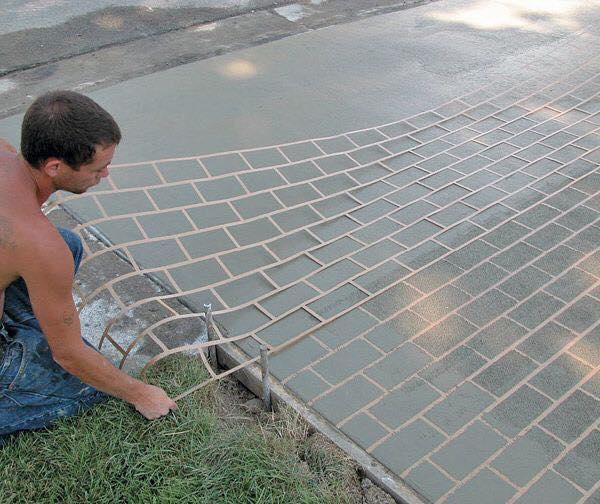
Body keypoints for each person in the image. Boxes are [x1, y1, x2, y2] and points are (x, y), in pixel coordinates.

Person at [0, 91, 177, 445]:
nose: (105, 174)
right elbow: (67, 354)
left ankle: (22, 334)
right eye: (97, 168)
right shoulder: (37, 243)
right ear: (54, 166)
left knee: (69, 243)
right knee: (86, 387)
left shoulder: (6, 155)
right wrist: (140, 393)